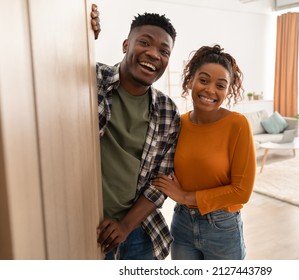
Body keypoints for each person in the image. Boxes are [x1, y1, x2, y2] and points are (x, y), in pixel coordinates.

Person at [92, 6, 181, 260]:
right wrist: (79, 32)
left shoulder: (167, 111)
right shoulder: (91, 78)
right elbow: (49, 62)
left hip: (140, 232)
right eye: (145, 43)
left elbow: (160, 181)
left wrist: (125, 226)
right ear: (125, 45)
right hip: (85, 225)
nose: (153, 54)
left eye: (164, 51)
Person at [152, 45, 256, 260]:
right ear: (190, 80)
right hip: (181, 223)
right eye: (204, 80)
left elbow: (241, 191)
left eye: (220, 85)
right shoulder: (178, 123)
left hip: (222, 228)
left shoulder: (237, 124)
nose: (210, 90)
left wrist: (184, 196)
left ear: (228, 91)